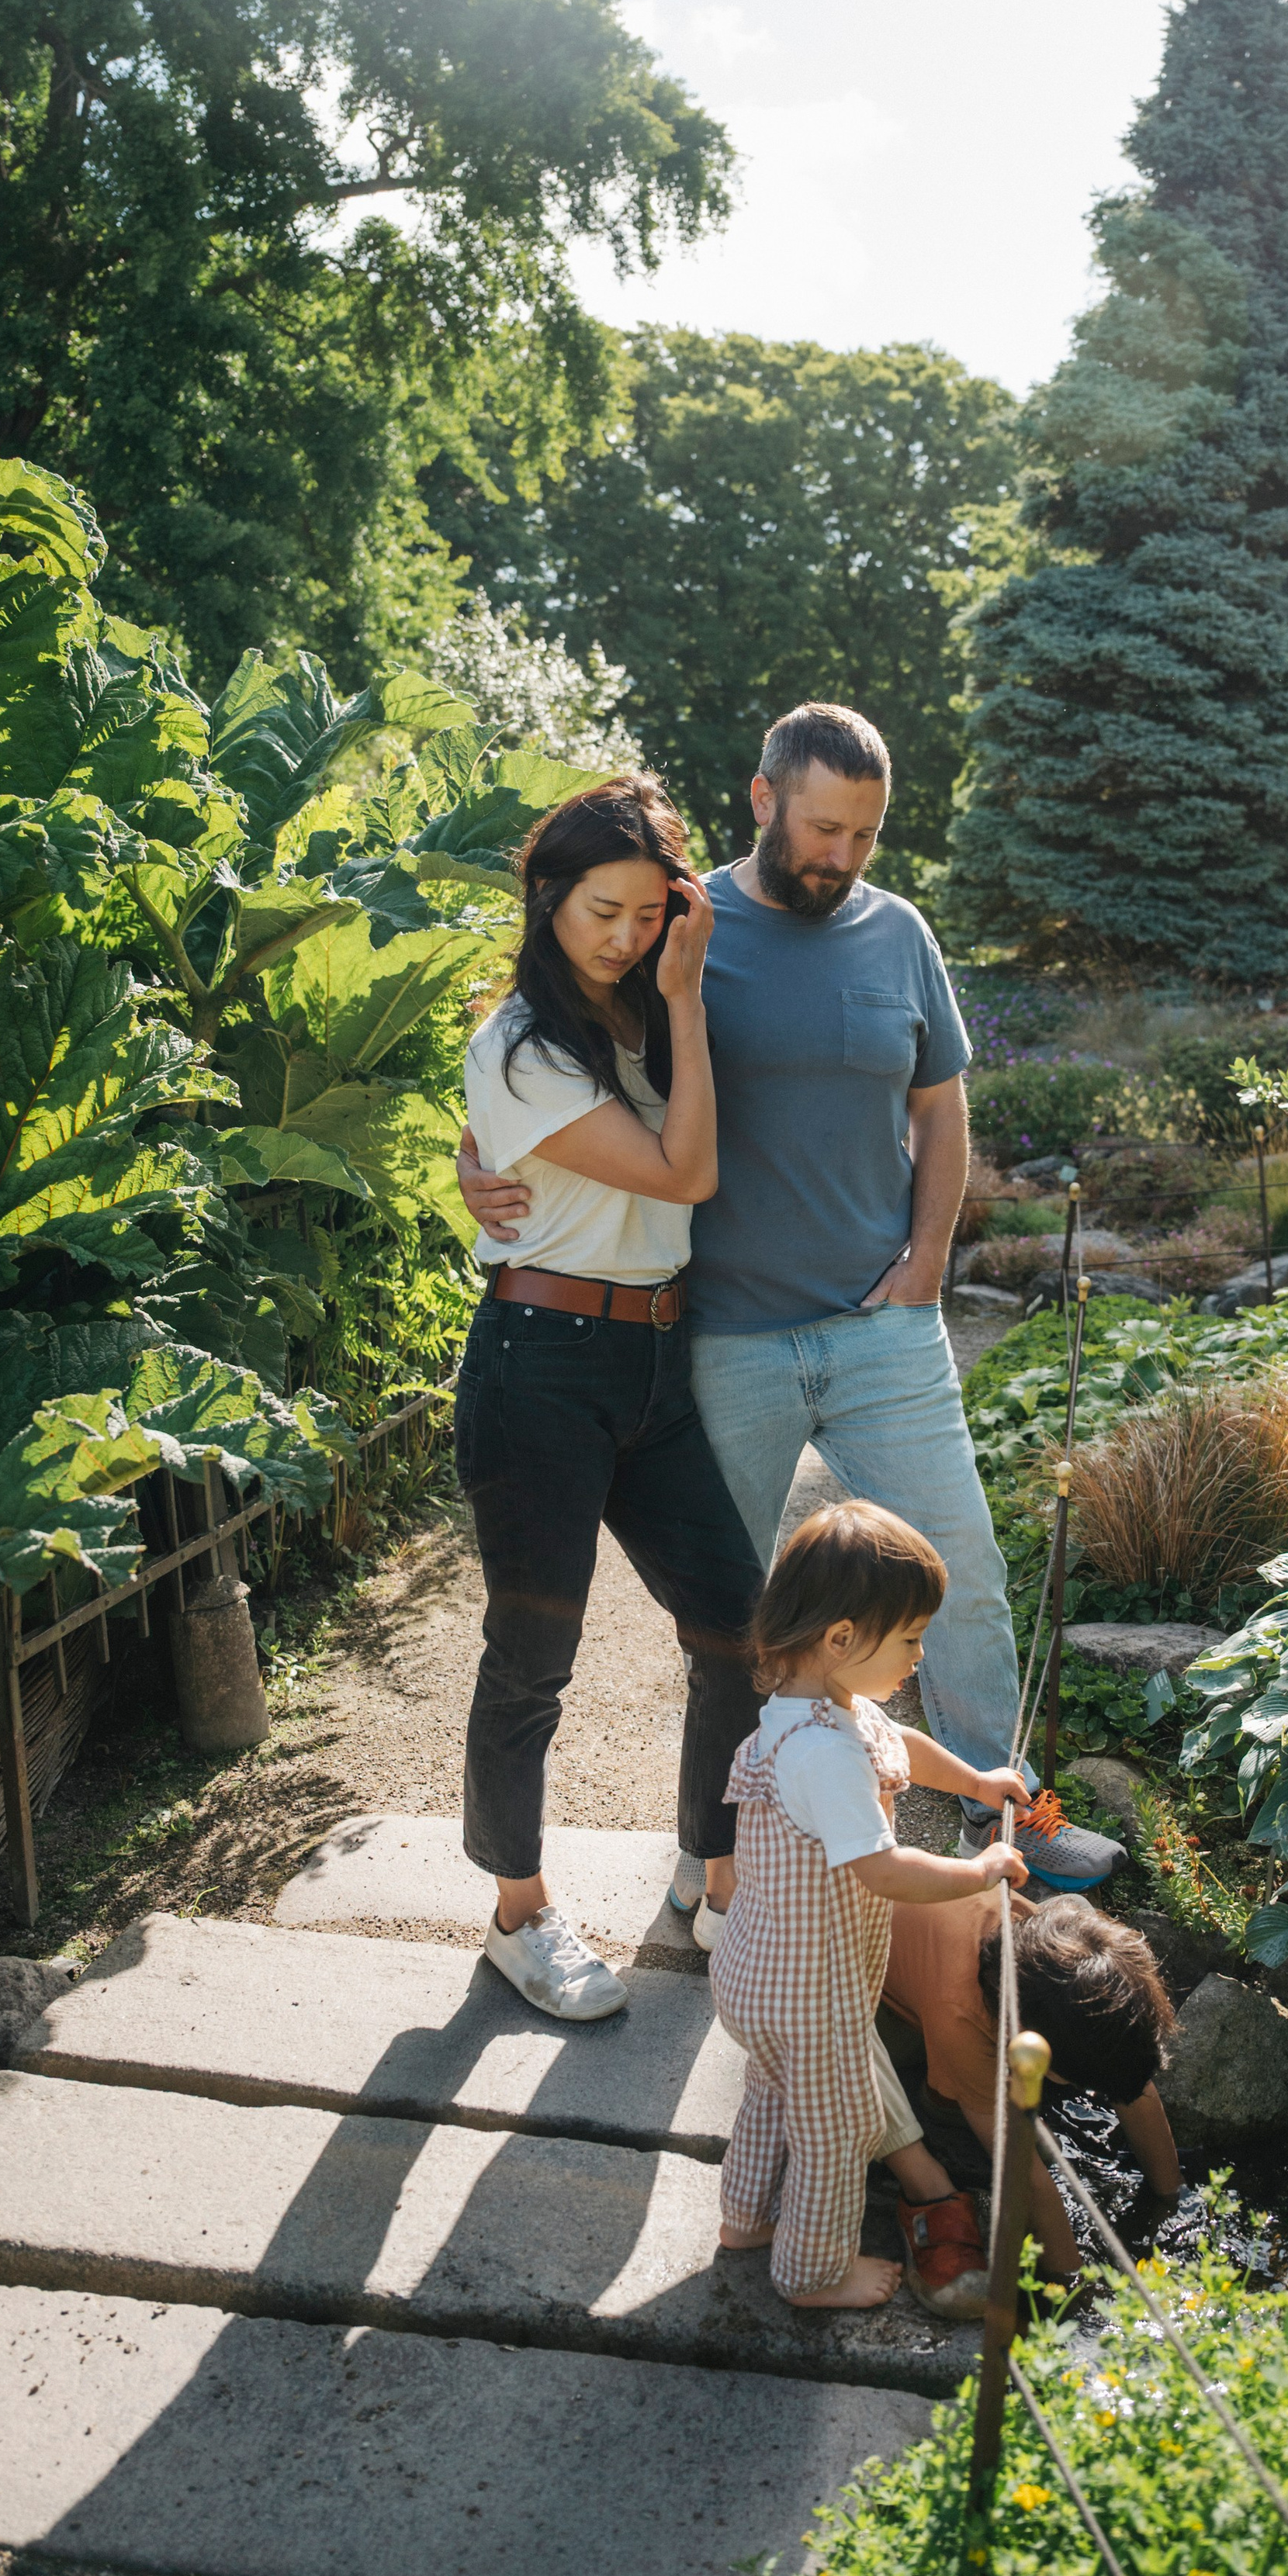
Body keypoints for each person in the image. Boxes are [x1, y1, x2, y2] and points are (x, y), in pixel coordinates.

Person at [458, 700, 1123, 1903]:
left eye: (864, 836)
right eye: (823, 828)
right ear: (763, 800)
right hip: (720, 1339)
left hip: (884, 1326)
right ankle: (722, 1855)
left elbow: (939, 1104)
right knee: (737, 1625)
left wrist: (929, 1252)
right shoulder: (676, 926)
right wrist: (473, 1153)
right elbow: (558, 1049)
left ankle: (998, 1822)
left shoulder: (898, 933)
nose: (842, 856)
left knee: (956, 1561)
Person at [455, 776, 766, 2021]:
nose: (627, 935)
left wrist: (677, 998)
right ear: (547, 898)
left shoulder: (647, 1018)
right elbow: (685, 1169)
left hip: (654, 1360)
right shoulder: (518, 1044)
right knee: (534, 1650)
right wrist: (685, 1001)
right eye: (602, 909)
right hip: (541, 1362)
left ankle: (712, 1867)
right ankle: (519, 1915)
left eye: (650, 912)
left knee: (736, 1622)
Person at [710, 1498, 1031, 2313]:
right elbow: (884, 1870)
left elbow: (903, 1746)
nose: (921, 1655)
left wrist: (975, 1779)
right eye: (912, 1636)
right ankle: (813, 2272)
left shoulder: (820, 1709)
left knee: (771, 2092)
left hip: (761, 1973)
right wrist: (981, 1870)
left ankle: (744, 2217)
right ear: (843, 1636)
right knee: (834, 2134)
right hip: (809, 1995)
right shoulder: (821, 1753)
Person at [881, 1885, 1182, 2282]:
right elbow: (1026, 2174)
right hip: (877, 1998)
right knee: (948, 2114)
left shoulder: (1056, 1940)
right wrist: (1071, 2286)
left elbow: (1133, 2084)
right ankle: (940, 2094)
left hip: (941, 1960)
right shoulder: (959, 2013)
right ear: (1028, 2038)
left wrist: (1171, 2202)